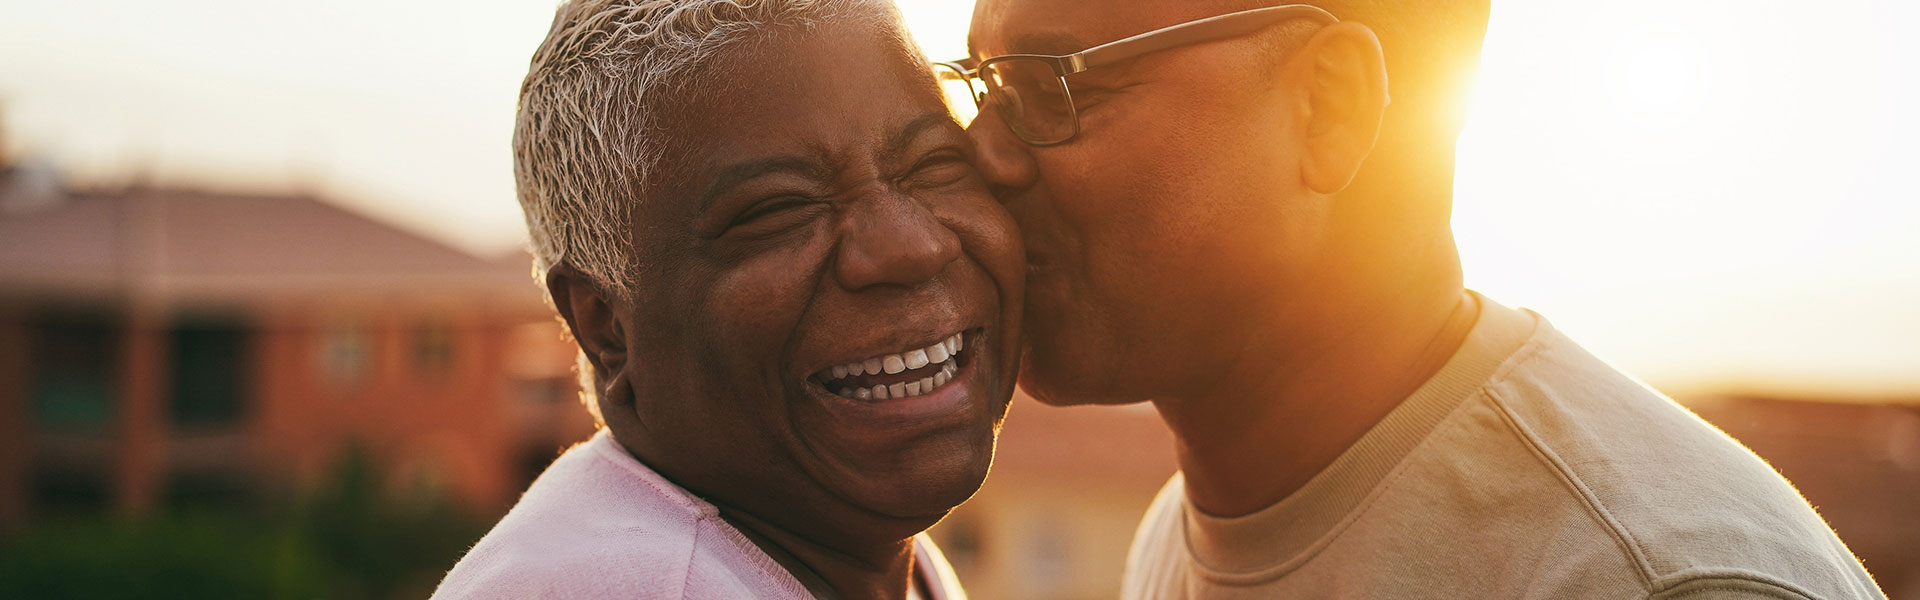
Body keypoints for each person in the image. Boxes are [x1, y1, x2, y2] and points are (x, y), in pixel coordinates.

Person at [947, 1, 1888, 598]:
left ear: (1334, 104)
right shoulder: (1193, 526)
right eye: (978, 87)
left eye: (1045, 87)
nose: (979, 155)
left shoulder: (1648, 580)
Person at [432, 0, 1025, 597]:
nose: (913, 246)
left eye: (935, 163)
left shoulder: (849, 552)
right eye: (780, 208)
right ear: (606, 325)